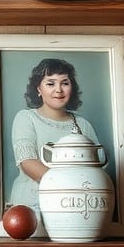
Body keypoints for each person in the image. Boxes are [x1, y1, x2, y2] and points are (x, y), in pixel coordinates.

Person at [9, 58, 100, 210]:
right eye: (50, 83)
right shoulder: (26, 118)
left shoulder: (83, 124)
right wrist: (71, 187)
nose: (59, 90)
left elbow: (97, 169)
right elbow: (28, 164)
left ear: (72, 87)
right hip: (33, 205)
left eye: (64, 83)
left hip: (76, 206)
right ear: (38, 88)